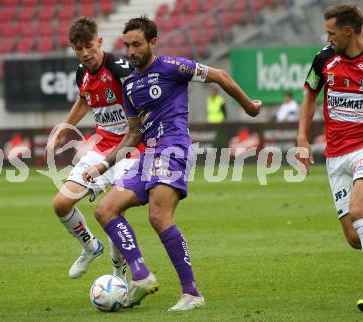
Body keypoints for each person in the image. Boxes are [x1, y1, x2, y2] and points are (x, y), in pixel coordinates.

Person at [83, 16, 261, 311]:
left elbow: (218, 74)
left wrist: (248, 107)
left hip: (174, 148)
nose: (131, 51)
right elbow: (133, 134)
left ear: (152, 42)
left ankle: (192, 293)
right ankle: (140, 275)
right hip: (148, 154)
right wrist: (102, 165)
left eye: (137, 44)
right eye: (127, 45)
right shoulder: (129, 87)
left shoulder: (172, 67)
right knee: (105, 209)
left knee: (158, 216)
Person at [45, 17, 138, 281]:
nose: (85, 53)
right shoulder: (81, 73)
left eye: (89, 46)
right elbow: (85, 103)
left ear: (99, 42)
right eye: (78, 48)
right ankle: (90, 247)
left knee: (112, 210)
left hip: (132, 148)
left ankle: (119, 271)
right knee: (61, 203)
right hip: (101, 145)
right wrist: (63, 129)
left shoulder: (120, 69)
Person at [295, 3, 363, 310]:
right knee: (352, 235)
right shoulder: (324, 58)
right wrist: (301, 137)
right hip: (336, 156)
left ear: (348, 31)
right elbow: (310, 93)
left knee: (359, 211)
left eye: (331, 32)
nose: (328, 37)